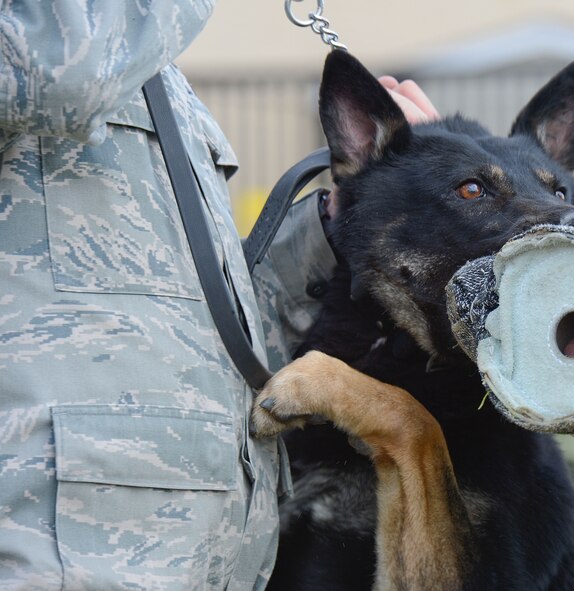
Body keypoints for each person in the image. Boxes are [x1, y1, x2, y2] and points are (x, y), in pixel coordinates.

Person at [0, 2, 437, 589]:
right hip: (56, 546)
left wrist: (342, 225)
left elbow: (203, 332)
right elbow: (53, 69)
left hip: (193, 554)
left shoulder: (153, 59)